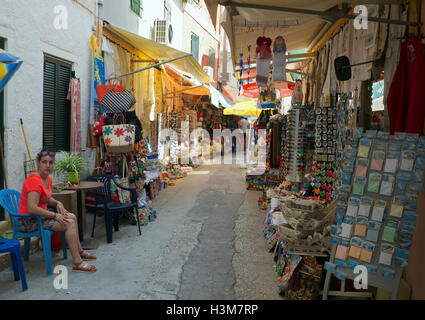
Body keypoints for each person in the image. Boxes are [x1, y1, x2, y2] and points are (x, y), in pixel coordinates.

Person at [18, 148, 97, 272]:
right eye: (44, 162)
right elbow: (32, 208)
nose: (48, 165)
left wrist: (58, 202)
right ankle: (77, 262)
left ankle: (80, 251)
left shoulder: (47, 179)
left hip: (40, 217)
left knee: (72, 216)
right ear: (38, 163)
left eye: (51, 162)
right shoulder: (34, 180)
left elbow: (47, 198)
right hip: (28, 221)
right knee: (68, 223)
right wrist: (54, 215)